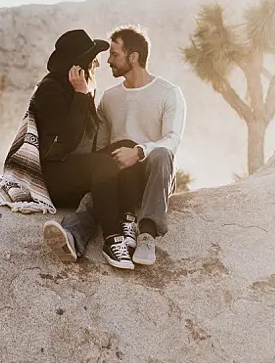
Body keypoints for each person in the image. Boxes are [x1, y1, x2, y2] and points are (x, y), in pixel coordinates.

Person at [43, 26, 187, 269]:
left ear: (134, 57)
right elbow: (101, 145)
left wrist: (139, 152)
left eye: (115, 54)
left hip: (154, 176)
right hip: (119, 174)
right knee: (100, 183)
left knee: (161, 153)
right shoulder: (110, 98)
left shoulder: (169, 93)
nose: (108, 60)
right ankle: (73, 237)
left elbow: (172, 140)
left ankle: (147, 235)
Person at [26, 30, 142, 269]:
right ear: (77, 66)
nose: (96, 64)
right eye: (92, 61)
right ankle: (112, 239)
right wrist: (81, 95)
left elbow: (90, 141)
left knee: (127, 148)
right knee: (104, 165)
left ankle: (126, 220)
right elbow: (66, 141)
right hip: (55, 177)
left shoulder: (78, 86)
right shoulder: (51, 90)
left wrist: (83, 93)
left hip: (75, 169)